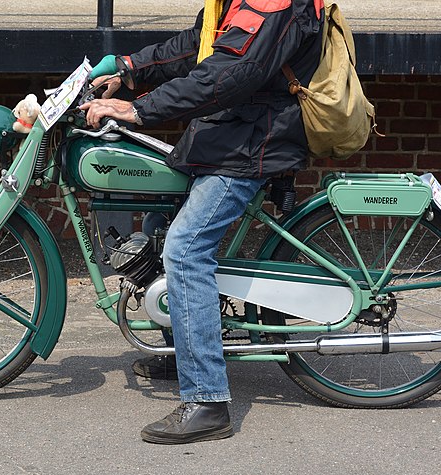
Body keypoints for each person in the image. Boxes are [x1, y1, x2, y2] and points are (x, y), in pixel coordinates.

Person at [80, 0, 323, 444]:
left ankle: (208, 401)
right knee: (160, 221)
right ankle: (184, 350)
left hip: (253, 145)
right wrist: (129, 68)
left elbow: (229, 74)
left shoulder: (274, 2)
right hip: (227, 136)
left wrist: (138, 109)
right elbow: (197, 48)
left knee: (185, 250)